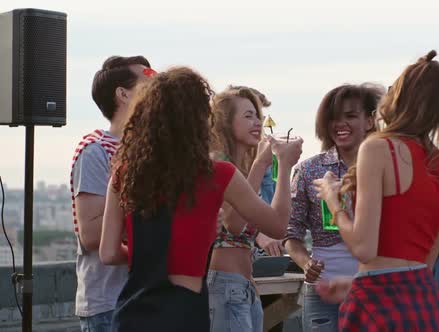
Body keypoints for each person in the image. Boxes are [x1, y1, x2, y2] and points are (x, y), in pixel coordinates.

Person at [99, 67, 303, 331]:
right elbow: (276, 225)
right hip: (183, 311)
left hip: (131, 311)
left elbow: (107, 252)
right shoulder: (217, 174)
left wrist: (149, 254)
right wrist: (285, 165)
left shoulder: (125, 172)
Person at [314, 50, 439, 331]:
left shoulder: (380, 148)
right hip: (424, 307)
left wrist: (333, 200)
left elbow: (364, 249)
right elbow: (418, 265)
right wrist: (355, 283)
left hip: (379, 307)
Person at [283, 83, 383, 332]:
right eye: (333, 118)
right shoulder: (307, 170)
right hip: (323, 291)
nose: (340, 124)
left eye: (350, 116)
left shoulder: (387, 166)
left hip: (377, 286)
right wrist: (306, 263)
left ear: (370, 121)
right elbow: (291, 232)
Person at [69, 55, 155, 332]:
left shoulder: (153, 151)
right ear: (123, 94)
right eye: (148, 81)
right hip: (110, 303)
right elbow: (92, 234)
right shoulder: (95, 152)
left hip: (150, 298)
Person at [207, 86, 283, 331]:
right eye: (248, 116)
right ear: (226, 122)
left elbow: (277, 224)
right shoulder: (218, 162)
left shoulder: (241, 168)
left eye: (257, 117)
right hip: (225, 285)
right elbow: (234, 223)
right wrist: (261, 164)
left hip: (245, 286)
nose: (257, 123)